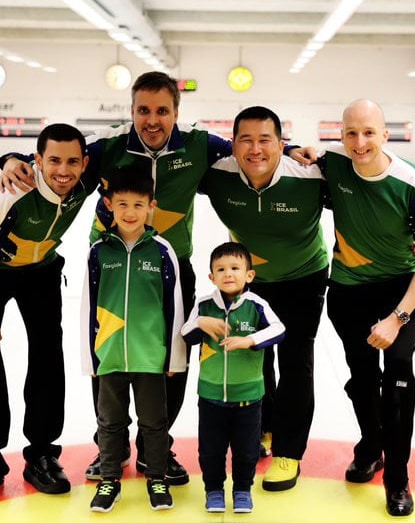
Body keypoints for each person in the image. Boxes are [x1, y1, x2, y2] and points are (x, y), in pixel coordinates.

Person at [0, 73, 308, 483]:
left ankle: (154, 447)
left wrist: (301, 152)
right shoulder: (109, 145)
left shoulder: (199, 144)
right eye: (143, 110)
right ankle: (111, 444)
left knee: (173, 356)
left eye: (162, 111)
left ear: (177, 113)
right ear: (131, 112)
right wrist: (10, 157)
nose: (152, 120)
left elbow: (248, 155)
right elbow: (60, 154)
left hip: (171, 266)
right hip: (112, 264)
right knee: (109, 354)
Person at [0, 123, 99, 503]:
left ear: (85, 163)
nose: (63, 172)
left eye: (72, 162)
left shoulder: (85, 176)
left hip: (40, 268)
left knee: (49, 355)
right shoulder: (11, 194)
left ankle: (43, 454)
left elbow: (115, 139)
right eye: (53, 161)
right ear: (37, 161)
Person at [319, 99, 415, 517]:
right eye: (351, 132)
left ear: (386, 135)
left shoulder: (412, 185)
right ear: (340, 135)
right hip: (348, 292)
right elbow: (286, 157)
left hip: (399, 293)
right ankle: (371, 447)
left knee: (399, 382)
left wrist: (397, 317)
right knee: (363, 378)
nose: (359, 142)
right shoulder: (331, 164)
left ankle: (398, 479)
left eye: (369, 132)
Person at [199, 106, 328, 491]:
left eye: (265, 140)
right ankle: (266, 428)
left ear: (281, 144)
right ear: (232, 145)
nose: (255, 150)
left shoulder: (310, 176)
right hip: (251, 280)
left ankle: (289, 452)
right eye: (246, 140)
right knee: (257, 354)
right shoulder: (217, 176)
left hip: (304, 278)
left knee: (295, 361)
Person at [84, 166, 187, 512]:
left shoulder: (162, 251)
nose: (130, 212)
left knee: (154, 423)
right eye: (122, 204)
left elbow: (175, 307)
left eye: (138, 205)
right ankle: (109, 479)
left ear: (151, 207)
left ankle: (156, 478)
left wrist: (174, 357)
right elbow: (87, 306)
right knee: (110, 423)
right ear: (110, 205)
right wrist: (90, 358)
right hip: (110, 354)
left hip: (150, 357)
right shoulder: (99, 252)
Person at [181, 242, 285, 513]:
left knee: (247, 451)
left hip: (249, 398)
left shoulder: (256, 304)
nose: (228, 274)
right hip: (211, 397)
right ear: (211, 277)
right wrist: (200, 322)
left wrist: (249, 340)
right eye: (221, 269)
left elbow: (279, 330)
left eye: (235, 268)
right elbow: (186, 335)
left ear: (249, 275)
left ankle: (242, 490)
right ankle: (213, 490)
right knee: (210, 451)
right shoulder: (203, 305)